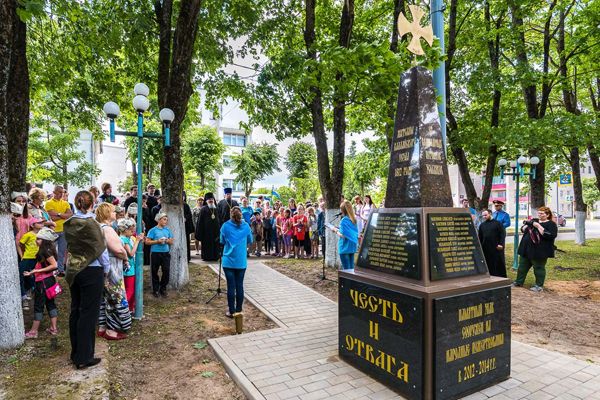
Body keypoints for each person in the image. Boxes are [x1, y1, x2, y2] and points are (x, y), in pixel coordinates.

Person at [64, 190, 110, 370]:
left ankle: (75, 352)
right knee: (88, 313)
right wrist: (106, 271)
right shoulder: (93, 224)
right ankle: (84, 357)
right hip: (92, 270)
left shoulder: (70, 222)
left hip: (74, 270)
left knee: (75, 310)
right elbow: (101, 250)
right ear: (92, 204)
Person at [96, 203, 131, 340]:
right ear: (106, 213)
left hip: (104, 266)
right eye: (112, 211)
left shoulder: (99, 227)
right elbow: (117, 250)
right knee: (115, 297)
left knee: (105, 297)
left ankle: (102, 327)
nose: (115, 213)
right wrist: (125, 258)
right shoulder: (107, 229)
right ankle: (112, 330)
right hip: (112, 267)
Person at [24, 227, 60, 339]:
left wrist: (36, 271)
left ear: (44, 241)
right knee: (50, 303)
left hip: (43, 283)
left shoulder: (44, 251)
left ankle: (33, 331)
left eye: (39, 239)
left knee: (38, 305)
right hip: (49, 280)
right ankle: (54, 328)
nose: (36, 241)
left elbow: (54, 265)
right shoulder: (49, 249)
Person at [513, 206, 558, 292]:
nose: (539, 215)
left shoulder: (551, 224)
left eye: (542, 213)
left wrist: (537, 226)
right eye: (539, 213)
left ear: (547, 215)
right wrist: (526, 225)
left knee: (538, 268)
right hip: (526, 249)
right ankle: (518, 282)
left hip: (540, 251)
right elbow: (523, 229)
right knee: (522, 267)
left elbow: (550, 235)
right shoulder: (534, 221)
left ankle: (539, 285)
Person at [220, 207, 253, 318]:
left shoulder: (225, 226)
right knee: (239, 286)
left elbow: (222, 241)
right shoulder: (246, 226)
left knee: (231, 286)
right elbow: (250, 240)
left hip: (228, 261)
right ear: (241, 215)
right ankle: (239, 311)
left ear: (231, 214)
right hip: (240, 261)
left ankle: (231, 311)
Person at [45, 185, 73, 275]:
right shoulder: (48, 203)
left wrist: (58, 214)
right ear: (54, 192)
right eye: (59, 192)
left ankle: (60, 270)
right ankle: (51, 270)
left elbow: (70, 214)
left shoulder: (65, 203)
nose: (61, 194)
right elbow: (51, 217)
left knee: (62, 252)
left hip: (63, 230)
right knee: (51, 252)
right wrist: (63, 215)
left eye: (63, 192)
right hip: (53, 231)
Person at [18, 217, 44, 310]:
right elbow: (20, 244)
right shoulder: (28, 234)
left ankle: (31, 290)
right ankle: (23, 296)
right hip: (28, 258)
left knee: (33, 275)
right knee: (22, 275)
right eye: (39, 222)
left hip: (38, 259)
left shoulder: (43, 234)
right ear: (33, 225)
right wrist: (22, 255)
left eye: (42, 222)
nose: (42, 223)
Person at [146, 211, 174, 297]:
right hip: (155, 253)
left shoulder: (168, 230)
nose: (166, 221)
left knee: (166, 271)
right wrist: (157, 241)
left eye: (166, 219)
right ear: (159, 220)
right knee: (154, 272)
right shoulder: (152, 230)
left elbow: (171, 241)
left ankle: (163, 288)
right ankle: (155, 290)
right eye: (164, 219)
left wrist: (167, 241)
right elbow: (147, 242)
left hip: (165, 253)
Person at [119, 218, 144, 313]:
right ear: (125, 230)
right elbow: (131, 253)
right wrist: (137, 241)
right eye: (131, 230)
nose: (132, 232)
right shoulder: (124, 239)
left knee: (129, 288)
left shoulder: (126, 238)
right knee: (130, 289)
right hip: (128, 268)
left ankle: (130, 308)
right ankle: (124, 308)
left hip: (128, 267)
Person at [478, 209, 507, 278]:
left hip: (496, 248)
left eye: (485, 215)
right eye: (483, 216)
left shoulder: (498, 223)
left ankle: (500, 277)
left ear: (490, 214)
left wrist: (501, 244)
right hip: (486, 248)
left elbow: (502, 234)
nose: (484, 217)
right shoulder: (482, 225)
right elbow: (480, 237)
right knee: (488, 263)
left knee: (498, 263)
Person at [332, 200, 359, 270]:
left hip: (344, 247)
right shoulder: (354, 219)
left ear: (343, 210)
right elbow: (351, 232)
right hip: (352, 246)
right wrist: (339, 228)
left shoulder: (344, 220)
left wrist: (335, 230)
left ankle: (348, 281)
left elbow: (343, 235)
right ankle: (352, 281)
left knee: (347, 270)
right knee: (351, 269)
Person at [195, 193, 221, 261]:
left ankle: (216, 256)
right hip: (206, 232)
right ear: (206, 200)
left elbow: (220, 219)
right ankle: (207, 257)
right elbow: (200, 222)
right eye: (209, 199)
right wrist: (199, 233)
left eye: (212, 199)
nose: (211, 200)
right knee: (207, 245)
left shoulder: (217, 208)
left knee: (216, 244)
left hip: (216, 231)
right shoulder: (203, 209)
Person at [183, 191, 195, 262]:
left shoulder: (186, 205)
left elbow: (189, 215)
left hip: (185, 227)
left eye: (183, 196)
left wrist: (185, 218)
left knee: (186, 243)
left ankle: (187, 257)